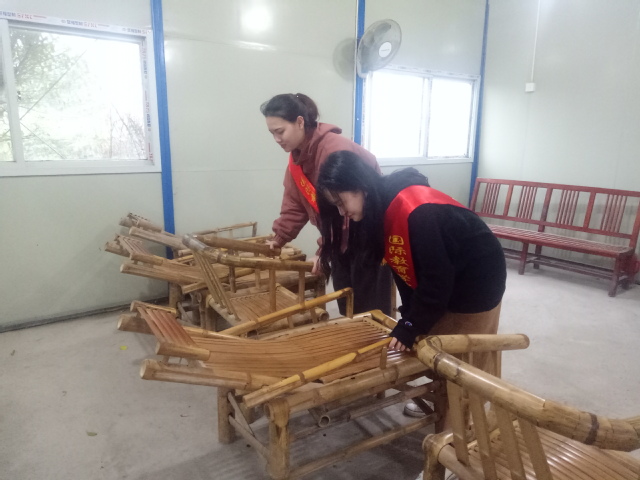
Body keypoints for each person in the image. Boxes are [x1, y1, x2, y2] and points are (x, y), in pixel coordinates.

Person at [316, 150, 507, 417]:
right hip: (447, 273)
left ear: (360, 186)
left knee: (460, 359)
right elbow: (403, 268)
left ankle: (462, 424)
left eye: (341, 202)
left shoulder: (415, 211)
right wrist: (410, 318)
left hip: (477, 277)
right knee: (433, 339)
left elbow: (436, 282)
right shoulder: (379, 209)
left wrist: (409, 326)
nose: (341, 212)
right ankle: (443, 404)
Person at [260, 93, 392, 315]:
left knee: (370, 307)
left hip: (366, 233)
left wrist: (323, 250)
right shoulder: (297, 159)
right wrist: (279, 238)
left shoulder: (333, 149)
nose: (276, 139)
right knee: (346, 299)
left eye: (280, 131)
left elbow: (346, 210)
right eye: (272, 133)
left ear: (300, 122)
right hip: (338, 236)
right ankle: (353, 332)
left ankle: (377, 337)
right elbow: (294, 204)